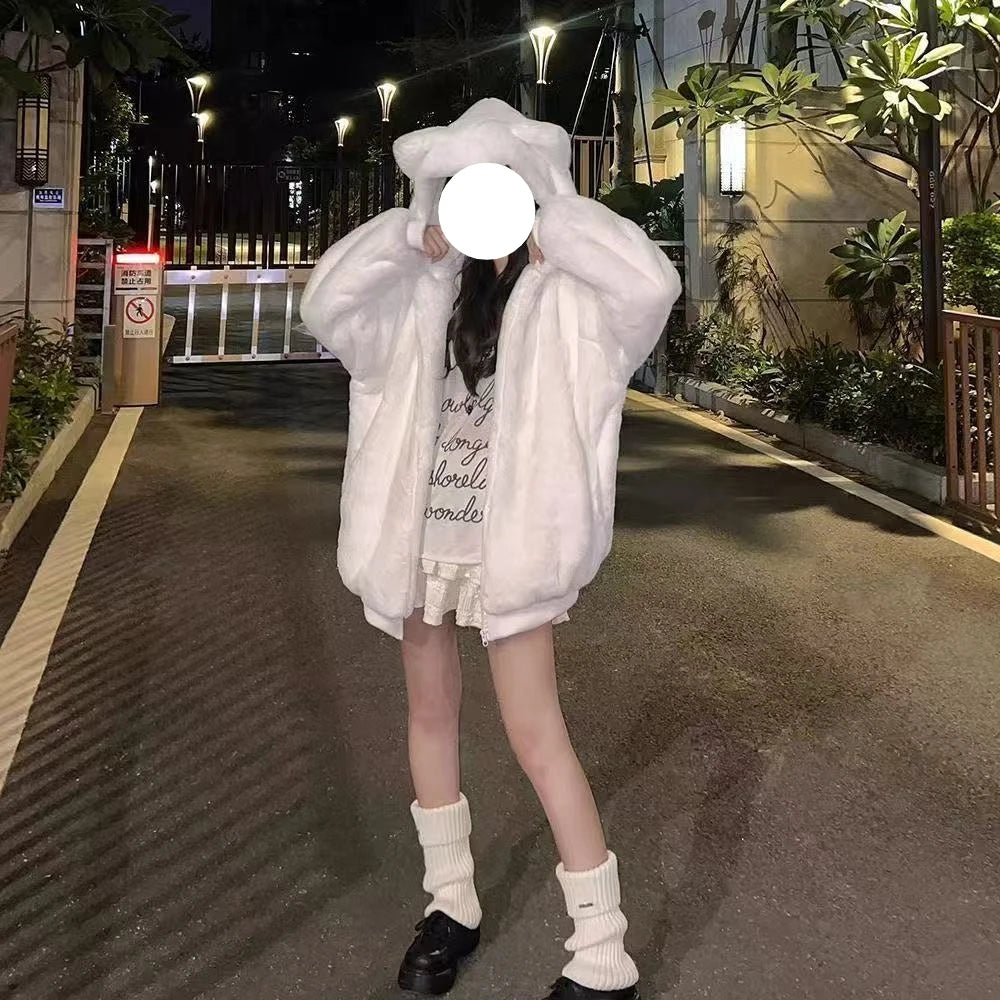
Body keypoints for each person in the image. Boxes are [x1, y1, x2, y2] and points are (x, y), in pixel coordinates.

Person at [300, 98, 680, 1000]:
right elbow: (324, 305)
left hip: (510, 552)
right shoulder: (421, 293)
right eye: (463, 186)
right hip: (419, 543)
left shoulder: (571, 299)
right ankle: (451, 905)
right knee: (429, 717)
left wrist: (564, 228)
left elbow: (652, 288)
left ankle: (603, 949)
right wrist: (408, 240)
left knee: (536, 733)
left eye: (500, 185)